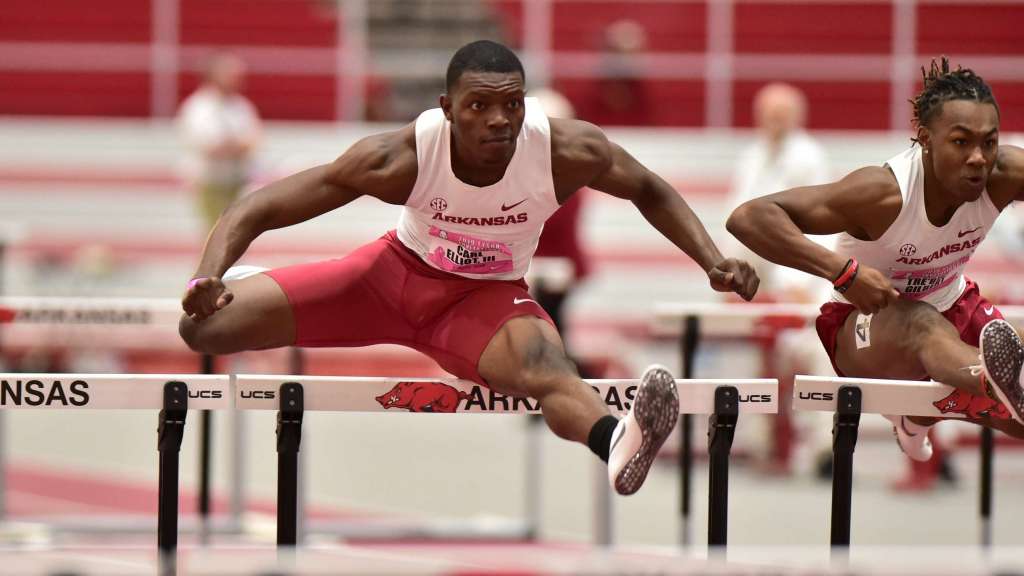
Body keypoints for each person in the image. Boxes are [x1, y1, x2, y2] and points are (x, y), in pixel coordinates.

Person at [178, 40, 759, 495]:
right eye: (479, 106)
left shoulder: (565, 151)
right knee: (204, 329)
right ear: (447, 110)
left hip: (482, 302)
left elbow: (650, 189)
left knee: (547, 367)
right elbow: (259, 205)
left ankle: (615, 443)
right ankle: (242, 285)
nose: (498, 120)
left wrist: (712, 261)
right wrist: (206, 278)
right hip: (388, 278)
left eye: (512, 104)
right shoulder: (401, 157)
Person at [727, 59, 1024, 462]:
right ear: (925, 138)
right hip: (863, 325)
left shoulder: (1006, 173)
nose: (978, 158)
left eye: (989, 143)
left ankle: (921, 415)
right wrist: (844, 273)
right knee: (919, 321)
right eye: (960, 142)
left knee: (1017, 423)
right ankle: (999, 381)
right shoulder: (882, 194)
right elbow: (748, 217)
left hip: (954, 305)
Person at [727, 82, 833, 477]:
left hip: (801, 279)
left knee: (810, 355)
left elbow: (804, 225)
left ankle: (824, 445)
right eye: (767, 113)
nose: (773, 121)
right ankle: (769, 443)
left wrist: (797, 283)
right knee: (767, 362)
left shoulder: (808, 157)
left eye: (780, 114)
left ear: (795, 117)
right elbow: (736, 217)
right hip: (763, 281)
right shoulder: (751, 156)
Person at [177, 53, 262, 235]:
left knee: (238, 233)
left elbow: (255, 139)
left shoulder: (241, 106)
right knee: (215, 233)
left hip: (237, 179)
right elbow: (210, 147)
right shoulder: (200, 107)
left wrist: (233, 146)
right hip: (210, 180)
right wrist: (238, 146)